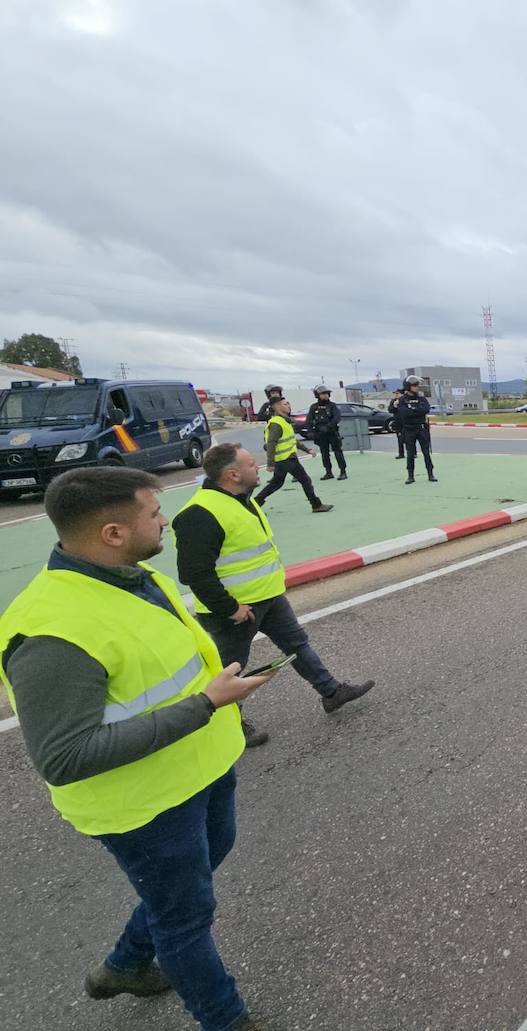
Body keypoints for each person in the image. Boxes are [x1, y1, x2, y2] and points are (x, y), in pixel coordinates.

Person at [0, 466, 277, 1030]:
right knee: (186, 917)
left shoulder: (134, 575)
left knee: (194, 880)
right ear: (112, 533)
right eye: (153, 513)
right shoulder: (51, 631)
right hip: (144, 805)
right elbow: (64, 756)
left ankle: (123, 965)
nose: (165, 520)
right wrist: (206, 704)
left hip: (201, 768)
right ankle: (226, 1020)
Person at [173, 445, 375, 748]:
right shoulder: (200, 514)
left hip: (268, 597)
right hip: (234, 610)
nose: (258, 468)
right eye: (251, 464)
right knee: (230, 669)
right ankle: (228, 726)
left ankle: (332, 693)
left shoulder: (241, 500)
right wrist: (230, 608)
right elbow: (194, 573)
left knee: (297, 644)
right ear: (232, 474)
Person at [253, 397, 333, 513]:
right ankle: (316, 505)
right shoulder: (276, 423)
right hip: (286, 459)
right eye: (285, 404)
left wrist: (307, 450)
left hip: (284, 459)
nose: (289, 406)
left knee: (276, 483)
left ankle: (254, 504)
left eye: (288, 404)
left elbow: (292, 440)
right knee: (305, 480)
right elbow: (271, 444)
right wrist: (270, 463)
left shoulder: (284, 421)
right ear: (277, 407)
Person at [396, 375, 437, 484]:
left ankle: (430, 474)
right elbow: (404, 414)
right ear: (408, 386)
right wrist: (417, 411)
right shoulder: (402, 400)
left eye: (417, 385)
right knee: (410, 454)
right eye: (414, 385)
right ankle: (410, 476)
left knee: (426, 452)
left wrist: (413, 410)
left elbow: (426, 409)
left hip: (421, 429)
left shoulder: (421, 398)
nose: (417, 387)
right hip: (409, 430)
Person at [306, 385, 347, 481]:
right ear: (317, 395)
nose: (325, 396)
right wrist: (310, 431)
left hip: (332, 432)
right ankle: (328, 472)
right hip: (320, 434)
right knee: (324, 453)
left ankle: (343, 471)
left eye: (327, 394)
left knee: (338, 452)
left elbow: (337, 418)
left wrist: (328, 426)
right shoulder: (314, 407)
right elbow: (309, 420)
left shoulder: (332, 406)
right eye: (323, 394)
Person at [387, 388, 405, 459]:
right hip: (398, 422)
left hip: (406, 422)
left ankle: (413, 453)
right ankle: (401, 453)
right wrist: (394, 406)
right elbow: (390, 410)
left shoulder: (405, 400)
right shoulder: (393, 401)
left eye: (397, 393)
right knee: (400, 439)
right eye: (395, 393)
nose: (396, 395)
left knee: (409, 438)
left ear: (402, 394)